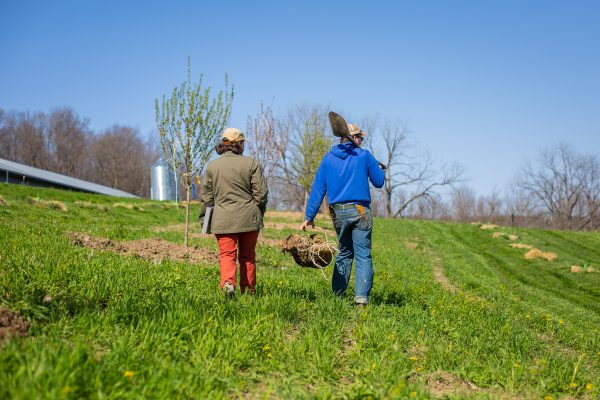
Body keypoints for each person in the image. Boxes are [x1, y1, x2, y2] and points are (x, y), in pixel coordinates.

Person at [300, 124, 385, 306]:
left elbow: (318, 188)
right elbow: (378, 182)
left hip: (338, 212)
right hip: (360, 210)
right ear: (353, 138)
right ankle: (361, 297)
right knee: (363, 254)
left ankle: (337, 296)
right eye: (360, 138)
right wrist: (379, 169)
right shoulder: (364, 155)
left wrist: (309, 216)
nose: (361, 142)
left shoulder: (328, 159)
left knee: (345, 251)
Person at [200, 127, 268, 297]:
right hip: (248, 218)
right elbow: (261, 193)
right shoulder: (251, 163)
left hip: (222, 219)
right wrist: (258, 212)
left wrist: (205, 220)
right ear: (238, 144)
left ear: (224, 144)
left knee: (227, 255)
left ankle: (228, 284)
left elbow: (207, 198)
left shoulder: (212, 167)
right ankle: (248, 291)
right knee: (247, 256)